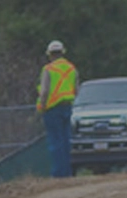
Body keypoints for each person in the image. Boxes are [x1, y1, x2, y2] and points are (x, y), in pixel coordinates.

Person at [37, 40, 77, 178]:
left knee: (55, 142)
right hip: (67, 107)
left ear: (50, 54)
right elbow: (76, 88)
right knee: (66, 141)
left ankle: (58, 174)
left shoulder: (48, 69)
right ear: (62, 52)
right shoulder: (72, 68)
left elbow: (45, 91)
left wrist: (42, 106)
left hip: (52, 109)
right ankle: (67, 172)